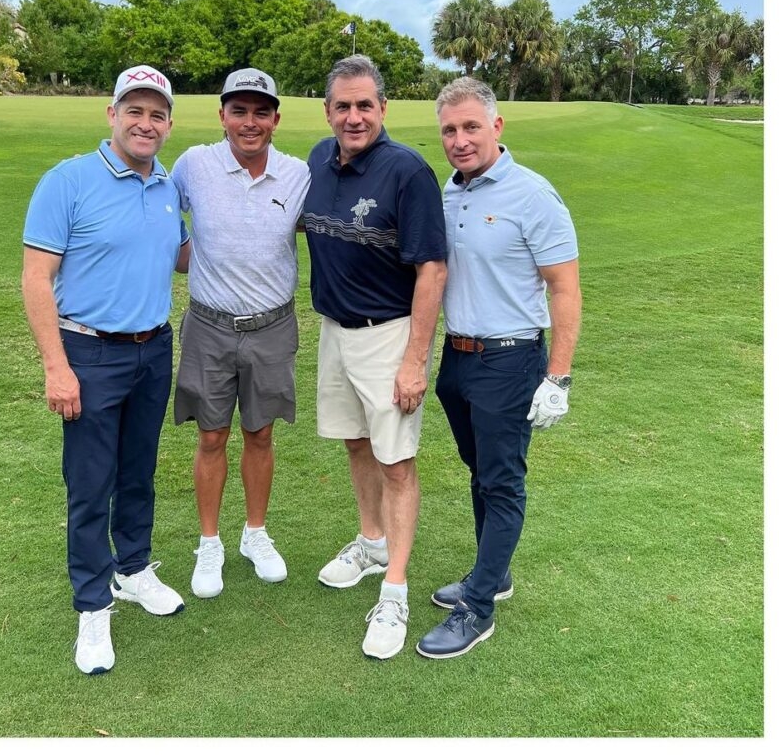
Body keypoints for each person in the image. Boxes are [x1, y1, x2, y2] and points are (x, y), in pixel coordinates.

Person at [21, 65, 190, 676]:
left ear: (168, 123)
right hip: (88, 351)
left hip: (152, 349)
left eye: (157, 114)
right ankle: (93, 604)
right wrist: (56, 367)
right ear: (112, 115)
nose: (146, 123)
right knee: (91, 482)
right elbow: (36, 278)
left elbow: (179, 257)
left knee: (138, 470)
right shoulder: (68, 180)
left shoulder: (168, 186)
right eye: (134, 111)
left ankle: (133, 569)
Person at [416, 76, 581, 660]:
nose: (460, 140)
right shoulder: (448, 191)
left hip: (510, 359)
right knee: (479, 469)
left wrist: (557, 377)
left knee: (502, 480)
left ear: (497, 127)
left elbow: (564, 289)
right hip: (457, 361)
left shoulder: (533, 195)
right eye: (449, 130)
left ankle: (479, 606)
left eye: (470, 127)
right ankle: (495, 571)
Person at [302, 54, 448, 660]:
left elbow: (432, 269)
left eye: (366, 105)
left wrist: (414, 361)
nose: (354, 116)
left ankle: (395, 591)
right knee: (355, 443)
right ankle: (371, 541)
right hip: (335, 331)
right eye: (343, 106)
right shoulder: (316, 159)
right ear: (328, 110)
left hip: (389, 335)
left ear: (383, 108)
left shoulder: (408, 172)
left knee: (396, 462)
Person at [171, 69, 310, 599]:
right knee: (211, 436)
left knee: (261, 433)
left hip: (272, 326)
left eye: (260, 112)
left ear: (276, 118)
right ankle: (210, 542)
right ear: (222, 115)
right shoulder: (193, 165)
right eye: (239, 111)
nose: (249, 123)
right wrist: (185, 256)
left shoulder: (298, 175)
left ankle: (255, 533)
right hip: (209, 325)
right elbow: (155, 212)